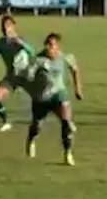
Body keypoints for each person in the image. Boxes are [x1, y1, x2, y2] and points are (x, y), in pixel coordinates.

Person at [23, 33, 82, 165]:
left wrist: (78, 89)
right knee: (37, 125)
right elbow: (28, 78)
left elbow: (75, 69)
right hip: (41, 97)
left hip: (58, 94)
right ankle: (31, 140)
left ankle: (68, 153)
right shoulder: (38, 60)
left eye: (51, 45)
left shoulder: (65, 57)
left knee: (66, 122)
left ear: (57, 46)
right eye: (47, 44)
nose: (48, 47)